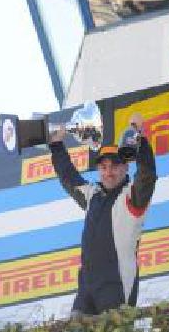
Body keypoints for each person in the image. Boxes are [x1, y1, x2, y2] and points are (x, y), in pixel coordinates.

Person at [50, 113, 157, 315]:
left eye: (115, 166)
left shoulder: (132, 196)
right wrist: (56, 145)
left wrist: (138, 137)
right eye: (103, 167)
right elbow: (68, 177)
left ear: (126, 167)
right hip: (87, 288)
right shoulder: (92, 195)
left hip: (116, 286)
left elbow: (147, 175)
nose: (109, 172)